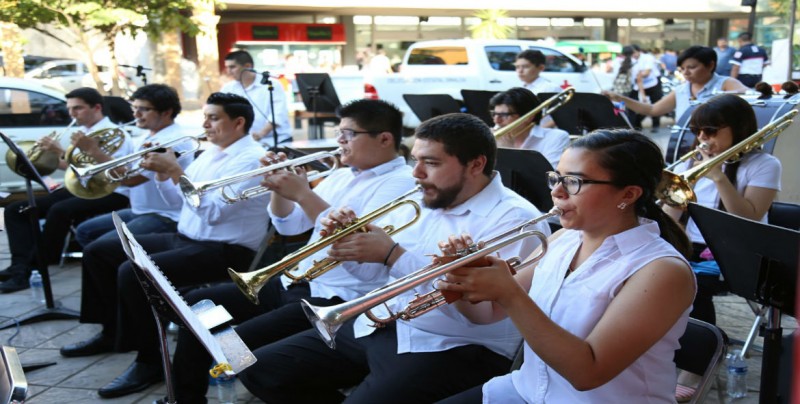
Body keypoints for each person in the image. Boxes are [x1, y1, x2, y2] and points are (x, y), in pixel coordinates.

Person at [238, 113, 550, 403]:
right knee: (255, 367)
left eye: (430, 163)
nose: (416, 173)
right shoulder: (423, 197)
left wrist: (391, 254)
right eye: (416, 160)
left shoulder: (514, 219)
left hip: (454, 345)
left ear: (475, 164)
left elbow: (479, 311)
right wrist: (351, 246)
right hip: (382, 325)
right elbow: (374, 278)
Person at [168, 99, 416, 403]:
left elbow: (356, 245)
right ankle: (184, 398)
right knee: (198, 305)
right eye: (339, 133)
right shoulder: (342, 173)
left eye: (348, 134)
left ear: (384, 139)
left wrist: (302, 193)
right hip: (292, 281)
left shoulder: (399, 184)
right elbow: (289, 227)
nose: (339, 141)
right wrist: (279, 188)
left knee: (239, 351)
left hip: (333, 295)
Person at [437, 129, 695, 403]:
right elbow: (486, 314)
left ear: (628, 194)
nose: (557, 191)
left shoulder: (662, 270)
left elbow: (588, 374)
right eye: (556, 178)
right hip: (525, 391)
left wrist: (509, 293)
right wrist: (459, 280)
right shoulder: (562, 239)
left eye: (573, 182)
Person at [58, 93, 270, 399]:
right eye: (205, 116)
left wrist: (175, 170)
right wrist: (161, 172)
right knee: (100, 252)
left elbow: (212, 213)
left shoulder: (251, 159)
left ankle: (150, 360)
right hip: (189, 235)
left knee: (132, 275)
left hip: (225, 249)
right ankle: (112, 330)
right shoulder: (211, 152)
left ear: (238, 122)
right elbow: (180, 203)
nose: (205, 124)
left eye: (213, 118)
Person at [663, 94, 781, 325]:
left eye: (710, 130)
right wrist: (683, 186)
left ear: (738, 127)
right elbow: (669, 218)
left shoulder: (765, 164)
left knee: (691, 284)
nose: (702, 138)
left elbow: (750, 218)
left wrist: (718, 176)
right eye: (697, 130)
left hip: (739, 250)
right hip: (692, 246)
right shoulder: (692, 162)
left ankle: (704, 345)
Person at [0, 87, 133, 293]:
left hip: (110, 192)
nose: (72, 114)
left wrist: (60, 151)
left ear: (97, 107)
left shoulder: (117, 134)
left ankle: (34, 266)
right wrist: (48, 158)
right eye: (69, 109)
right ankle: (20, 266)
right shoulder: (84, 133)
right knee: (17, 210)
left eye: (77, 108)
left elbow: (108, 172)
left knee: (60, 211)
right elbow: (76, 168)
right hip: (83, 187)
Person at [73, 84, 192, 247]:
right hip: (141, 210)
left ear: (166, 112)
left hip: (166, 215)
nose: (136, 114)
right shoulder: (147, 134)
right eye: (134, 108)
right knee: (84, 231)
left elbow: (131, 179)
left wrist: (94, 151)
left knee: (100, 247)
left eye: (143, 109)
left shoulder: (172, 140)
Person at [605, 46, 748, 127]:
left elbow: (747, 94)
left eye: (692, 67)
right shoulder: (682, 90)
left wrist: (726, 95)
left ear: (710, 65)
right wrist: (619, 98)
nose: (686, 72)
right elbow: (653, 110)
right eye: (682, 68)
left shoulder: (725, 83)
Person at [221, 50, 292, 147]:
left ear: (248, 66)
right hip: (245, 143)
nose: (228, 72)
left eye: (232, 67)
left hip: (277, 141)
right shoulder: (228, 88)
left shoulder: (272, 84)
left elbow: (278, 114)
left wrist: (261, 134)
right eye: (227, 67)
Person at [489, 87, 569, 168]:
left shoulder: (556, 137)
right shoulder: (492, 139)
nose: (496, 120)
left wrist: (509, 152)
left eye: (504, 115)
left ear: (528, 117)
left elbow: (549, 177)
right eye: (494, 114)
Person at [629, 45, 664, 132]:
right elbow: (638, 79)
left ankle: (655, 125)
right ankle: (638, 125)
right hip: (639, 85)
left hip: (653, 84)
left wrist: (639, 75)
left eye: (634, 52)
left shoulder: (648, 58)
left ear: (638, 51)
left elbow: (647, 73)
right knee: (638, 104)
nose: (633, 55)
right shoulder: (632, 61)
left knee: (656, 103)